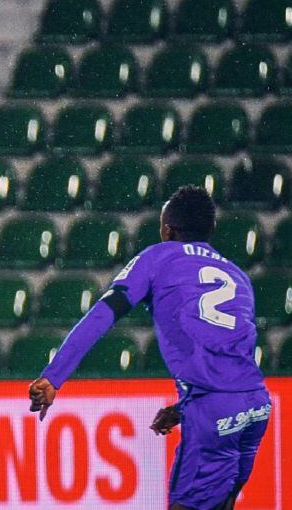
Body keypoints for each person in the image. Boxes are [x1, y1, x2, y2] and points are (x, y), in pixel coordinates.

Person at [29, 186, 271, 510]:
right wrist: (183, 408)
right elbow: (228, 358)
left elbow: (102, 314)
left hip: (213, 411)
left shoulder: (157, 257)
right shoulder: (237, 275)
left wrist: (53, 376)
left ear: (167, 229)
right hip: (256, 406)